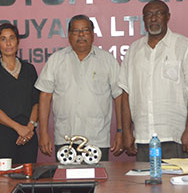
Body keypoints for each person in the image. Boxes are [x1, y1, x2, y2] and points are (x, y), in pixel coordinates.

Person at [119, 0, 188, 160]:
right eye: (149, 15)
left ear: (168, 17)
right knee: (145, 184)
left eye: (158, 13)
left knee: (180, 185)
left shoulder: (184, 46)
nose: (153, 18)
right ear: (144, 20)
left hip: (177, 136)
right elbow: (126, 94)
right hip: (144, 137)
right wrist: (126, 131)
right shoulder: (133, 50)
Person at [35, 14, 123, 160]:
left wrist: (120, 131)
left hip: (97, 139)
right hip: (65, 139)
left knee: (98, 182)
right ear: (69, 35)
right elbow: (45, 96)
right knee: (66, 182)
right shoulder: (56, 60)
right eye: (76, 31)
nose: (81, 35)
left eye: (85, 30)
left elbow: (119, 96)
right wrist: (43, 133)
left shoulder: (107, 60)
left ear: (92, 34)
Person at [0, 23, 39, 164]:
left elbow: (36, 102)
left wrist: (29, 128)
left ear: (18, 41)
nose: (8, 43)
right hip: (3, 138)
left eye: (12, 38)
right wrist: (18, 128)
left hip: (29, 135)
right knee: (3, 184)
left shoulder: (29, 70)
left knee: (29, 182)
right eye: (3, 39)